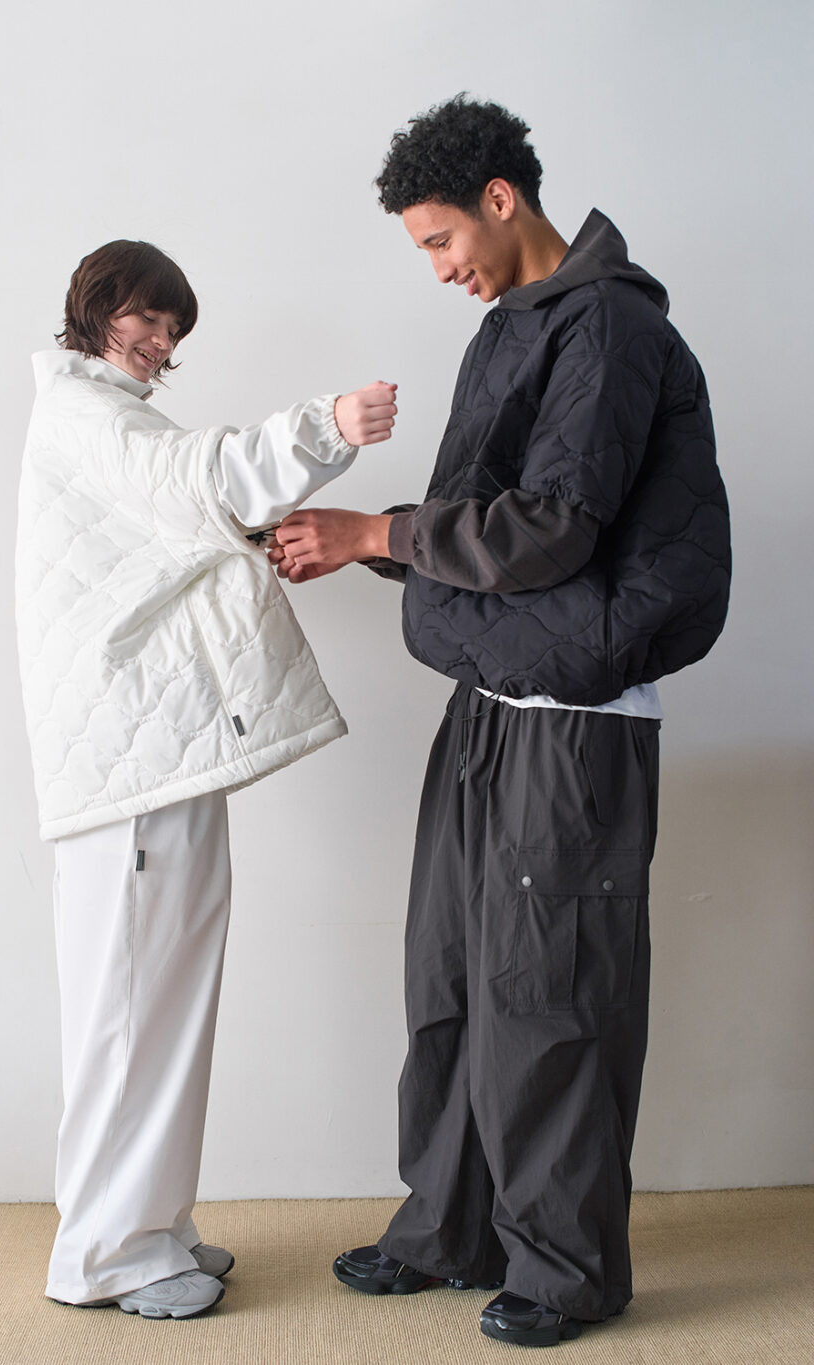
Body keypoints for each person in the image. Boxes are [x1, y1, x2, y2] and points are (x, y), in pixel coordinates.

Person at [269, 97, 730, 1349]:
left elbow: (550, 530)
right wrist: (366, 545)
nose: (437, 268)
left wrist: (376, 533)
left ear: (500, 198)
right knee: (452, 978)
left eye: (439, 240)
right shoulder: (509, 329)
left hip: (574, 719)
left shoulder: (611, 327)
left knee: (551, 996)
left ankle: (564, 1271)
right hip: (487, 700)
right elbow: (476, 526)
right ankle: (449, 1229)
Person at [15, 239, 396, 1321]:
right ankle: (108, 1253)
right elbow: (203, 480)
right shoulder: (87, 415)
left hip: (158, 755)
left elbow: (191, 513)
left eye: (173, 327)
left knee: (156, 1001)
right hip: (133, 770)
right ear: (96, 306)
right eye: (146, 316)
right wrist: (327, 425)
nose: (160, 340)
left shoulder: (109, 417)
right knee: (132, 1009)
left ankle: (151, 1225)